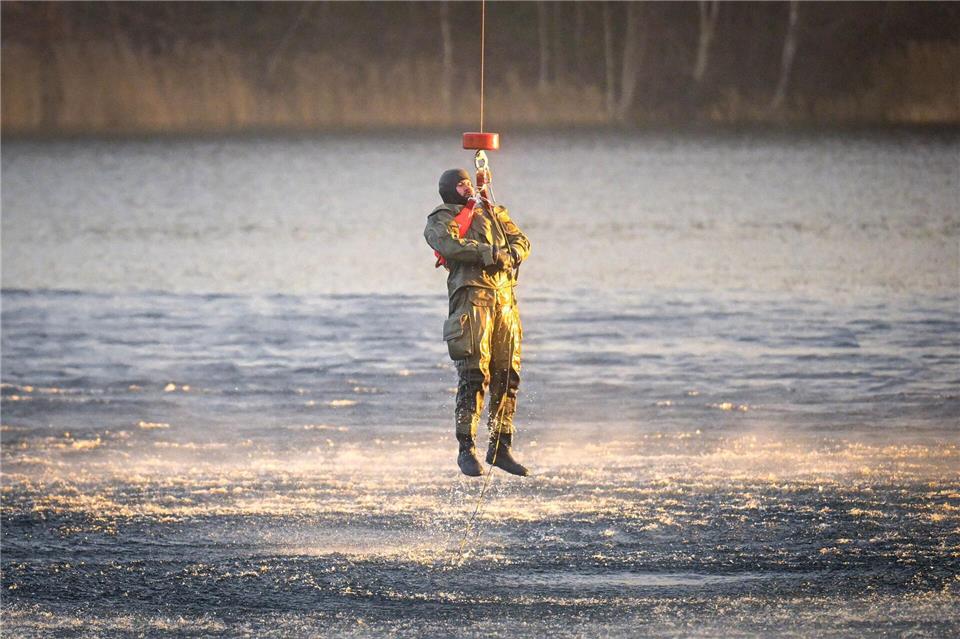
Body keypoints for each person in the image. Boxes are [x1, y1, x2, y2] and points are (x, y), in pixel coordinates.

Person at [424, 168, 531, 477]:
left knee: (507, 374)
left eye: (468, 182)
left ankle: (501, 446)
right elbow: (448, 245)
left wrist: (513, 253)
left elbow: (521, 240)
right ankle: (466, 448)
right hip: (471, 302)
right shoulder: (442, 217)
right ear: (448, 190)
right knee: (474, 374)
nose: (467, 186)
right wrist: (489, 253)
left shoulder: (494, 211)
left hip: (504, 302)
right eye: (460, 183)